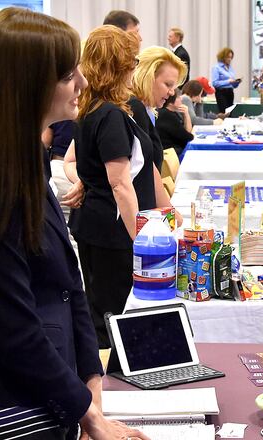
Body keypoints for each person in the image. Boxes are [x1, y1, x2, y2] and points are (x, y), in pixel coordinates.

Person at [0, 8, 148, 440]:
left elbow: (67, 284)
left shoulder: (21, 161)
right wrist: (89, 414)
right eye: (66, 75)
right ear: (24, 85)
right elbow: (13, 327)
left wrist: (90, 382)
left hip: (35, 392)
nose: (81, 82)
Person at [70, 26, 173, 348]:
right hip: (113, 230)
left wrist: (168, 212)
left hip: (104, 226)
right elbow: (120, 183)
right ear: (119, 66)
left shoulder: (102, 109)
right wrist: (142, 239)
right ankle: (109, 385)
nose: (134, 67)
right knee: (113, 316)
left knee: (107, 312)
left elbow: (140, 172)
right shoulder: (109, 113)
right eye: (131, 60)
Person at [156, 88, 194, 156]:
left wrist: (186, 114)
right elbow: (188, 138)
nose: (181, 99)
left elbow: (187, 133)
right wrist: (186, 115)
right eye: (178, 97)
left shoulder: (171, 113)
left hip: (171, 152)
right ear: (170, 102)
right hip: (170, 154)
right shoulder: (167, 116)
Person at [211, 47, 240, 113]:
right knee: (224, 113)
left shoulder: (230, 68)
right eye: (228, 57)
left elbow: (232, 83)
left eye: (231, 57)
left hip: (230, 92)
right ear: (222, 57)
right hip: (221, 93)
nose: (230, 59)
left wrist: (236, 83)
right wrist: (228, 81)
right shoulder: (216, 68)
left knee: (230, 113)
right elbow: (215, 83)